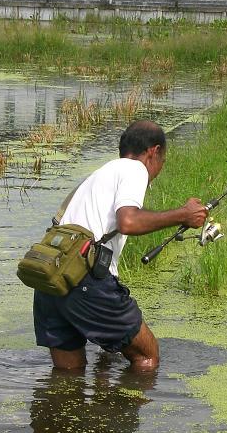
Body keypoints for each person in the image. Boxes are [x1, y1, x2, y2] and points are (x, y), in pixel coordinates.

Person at [33, 120, 207, 372]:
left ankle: (68, 410)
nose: (158, 170)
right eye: (162, 162)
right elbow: (128, 221)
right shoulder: (135, 170)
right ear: (153, 152)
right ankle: (120, 412)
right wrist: (183, 215)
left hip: (50, 280)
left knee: (67, 376)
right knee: (147, 356)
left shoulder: (97, 176)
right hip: (83, 278)